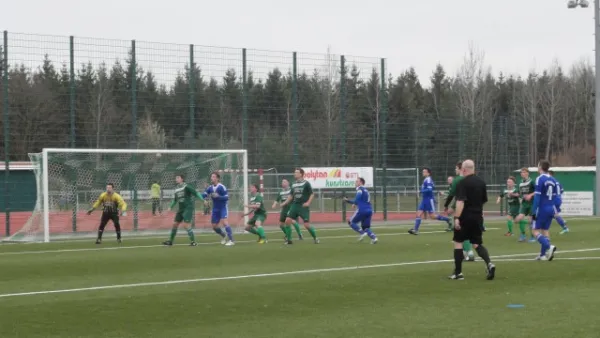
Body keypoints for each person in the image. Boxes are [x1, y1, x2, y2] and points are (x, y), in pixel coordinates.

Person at [449, 160, 496, 281]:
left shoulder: (462, 183)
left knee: (458, 242)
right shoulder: (481, 183)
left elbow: (460, 202)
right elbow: (483, 200)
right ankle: (489, 264)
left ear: (463, 170)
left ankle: (458, 273)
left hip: (465, 217)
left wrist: (456, 218)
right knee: (477, 243)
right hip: (477, 216)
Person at [162, 174, 204, 246]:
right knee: (175, 224)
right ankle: (170, 241)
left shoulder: (186, 186)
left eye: (178, 177)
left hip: (188, 208)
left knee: (186, 225)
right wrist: (170, 207)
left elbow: (196, 193)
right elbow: (175, 200)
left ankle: (193, 242)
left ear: (182, 179)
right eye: (176, 178)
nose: (176, 179)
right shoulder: (176, 189)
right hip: (181, 209)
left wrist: (203, 200)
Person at [444, 161, 474, 260]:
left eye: (456, 168)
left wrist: (447, 205)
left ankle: (468, 253)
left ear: (461, 169)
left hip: (461, 207)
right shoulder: (471, 179)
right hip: (472, 207)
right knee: (467, 230)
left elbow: (453, 195)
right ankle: (467, 252)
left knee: (461, 229)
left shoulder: (457, 180)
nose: (455, 170)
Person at [408, 168, 452, 235]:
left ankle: (448, 220)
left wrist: (420, 191)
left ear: (428, 173)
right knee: (418, 214)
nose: (423, 173)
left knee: (432, 216)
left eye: (424, 172)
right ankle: (415, 230)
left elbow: (429, 190)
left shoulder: (428, 179)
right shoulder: (426, 179)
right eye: (423, 171)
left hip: (429, 200)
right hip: (424, 200)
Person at [283, 168, 320, 244]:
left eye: (296, 172)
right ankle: (289, 240)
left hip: (303, 206)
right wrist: (285, 203)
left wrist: (308, 203)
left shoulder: (306, 183)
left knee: (306, 225)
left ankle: (315, 238)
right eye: (295, 172)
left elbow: (312, 194)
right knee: (287, 221)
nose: (295, 174)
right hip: (295, 205)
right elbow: (291, 195)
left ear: (301, 174)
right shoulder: (293, 184)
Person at [532, 160, 558, 261]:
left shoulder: (540, 179)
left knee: (534, 230)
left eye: (538, 165)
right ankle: (542, 255)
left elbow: (537, 197)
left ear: (540, 167)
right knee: (545, 230)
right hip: (551, 208)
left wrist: (534, 211)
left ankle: (549, 247)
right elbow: (555, 197)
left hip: (542, 208)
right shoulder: (553, 180)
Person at [203, 172, 234, 246]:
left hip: (223, 207)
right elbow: (204, 194)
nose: (212, 178)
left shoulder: (221, 187)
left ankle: (231, 240)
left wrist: (218, 196)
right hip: (215, 209)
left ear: (217, 178)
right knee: (214, 226)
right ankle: (223, 235)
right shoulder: (210, 188)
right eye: (211, 177)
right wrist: (202, 198)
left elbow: (227, 197)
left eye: (213, 177)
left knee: (225, 222)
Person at [344, 177, 378, 244]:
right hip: (369, 210)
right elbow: (361, 201)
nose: (355, 183)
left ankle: (362, 233)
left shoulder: (359, 190)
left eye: (357, 181)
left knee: (350, 222)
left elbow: (356, 201)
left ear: (361, 183)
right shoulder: (366, 191)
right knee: (365, 227)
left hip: (362, 210)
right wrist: (355, 203)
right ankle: (374, 238)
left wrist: (347, 200)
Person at [514, 168, 536, 242]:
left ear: (527, 173)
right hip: (524, 203)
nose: (522, 174)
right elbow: (519, 193)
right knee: (518, 219)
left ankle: (533, 237)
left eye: (523, 172)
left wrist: (530, 195)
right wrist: (515, 195)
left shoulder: (532, 181)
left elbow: (537, 191)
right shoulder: (520, 183)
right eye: (521, 172)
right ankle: (523, 235)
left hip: (532, 203)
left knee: (530, 220)